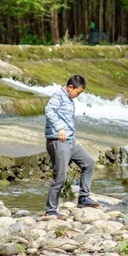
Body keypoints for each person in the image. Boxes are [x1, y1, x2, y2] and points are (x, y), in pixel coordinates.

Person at [44, 74, 99, 218]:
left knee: (89, 163)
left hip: (70, 140)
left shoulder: (69, 99)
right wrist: (59, 129)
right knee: (60, 178)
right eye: (78, 92)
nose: (78, 95)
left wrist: (73, 137)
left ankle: (84, 198)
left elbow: (67, 120)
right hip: (58, 140)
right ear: (70, 87)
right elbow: (49, 110)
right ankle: (50, 210)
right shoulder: (58, 96)